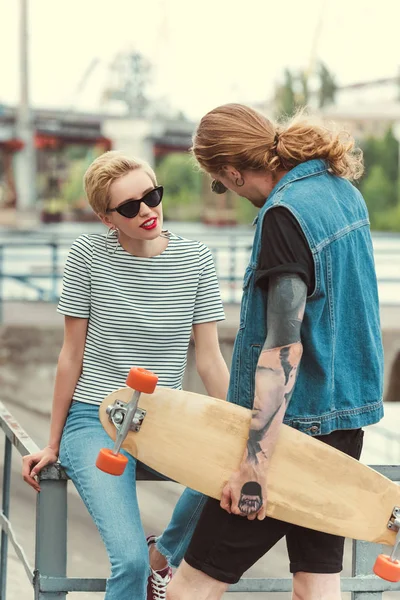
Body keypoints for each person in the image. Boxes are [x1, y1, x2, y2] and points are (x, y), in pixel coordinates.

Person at [167, 103, 384, 600]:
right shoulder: (341, 191)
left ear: (232, 171)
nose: (231, 194)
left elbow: (282, 345)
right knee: (316, 582)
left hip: (290, 432)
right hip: (344, 423)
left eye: (223, 185)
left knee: (191, 587)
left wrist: (254, 466)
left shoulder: (284, 216)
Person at [22, 150, 230, 600]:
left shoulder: (196, 258)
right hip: (93, 420)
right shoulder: (88, 256)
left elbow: (209, 359)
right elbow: (70, 355)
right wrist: (53, 442)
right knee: (128, 561)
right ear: (105, 217)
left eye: (152, 195)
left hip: (166, 420)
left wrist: (245, 434)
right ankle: (145, 564)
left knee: (226, 464)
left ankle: (164, 558)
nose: (148, 211)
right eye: (130, 207)